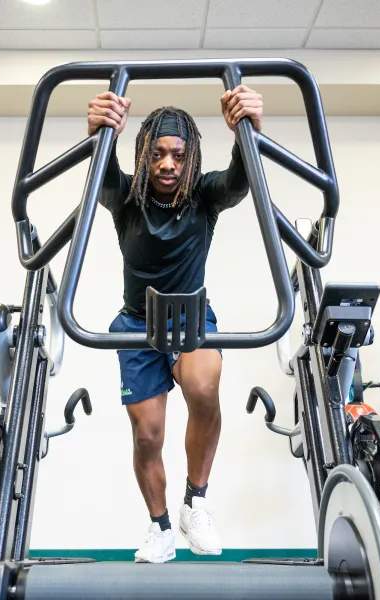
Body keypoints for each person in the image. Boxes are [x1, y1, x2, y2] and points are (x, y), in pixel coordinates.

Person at [87, 85, 264, 563]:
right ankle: (161, 527)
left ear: (191, 159)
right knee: (148, 434)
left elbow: (238, 184)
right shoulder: (125, 197)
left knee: (204, 389)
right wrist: (101, 132)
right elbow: (102, 180)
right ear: (144, 156)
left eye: (179, 156)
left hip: (188, 314)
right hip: (136, 323)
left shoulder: (204, 195)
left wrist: (245, 132)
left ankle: (196, 503)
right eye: (158, 154)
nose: (168, 164)